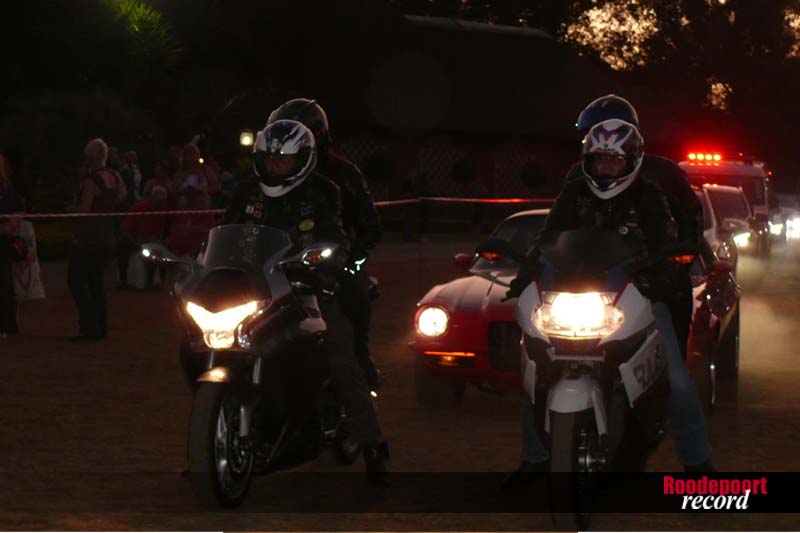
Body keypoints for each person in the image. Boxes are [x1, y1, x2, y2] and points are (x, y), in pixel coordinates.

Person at [503, 119, 713, 488]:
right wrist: (523, 278)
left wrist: (662, 274)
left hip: (638, 295)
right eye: (599, 160)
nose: (606, 168)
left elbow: (664, 245)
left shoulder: (649, 196)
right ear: (587, 160)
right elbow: (547, 240)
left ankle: (698, 466)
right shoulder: (574, 193)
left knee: (678, 379)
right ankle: (533, 460)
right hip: (576, 298)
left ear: (632, 161)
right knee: (535, 371)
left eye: (614, 161)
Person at [221, 119, 389, 487]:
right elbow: (224, 231)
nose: (275, 165)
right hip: (257, 288)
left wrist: (328, 261)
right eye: (269, 158)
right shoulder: (247, 191)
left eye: (283, 159)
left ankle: (372, 445)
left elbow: (336, 236)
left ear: (303, 160)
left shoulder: (323, 191)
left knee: (340, 356)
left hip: (309, 286)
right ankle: (217, 441)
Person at [566, 94, 705, 360]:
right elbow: (561, 224)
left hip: (654, 275)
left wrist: (677, 263)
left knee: (674, 347)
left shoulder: (664, 173)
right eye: (587, 137)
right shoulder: (577, 174)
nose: (595, 142)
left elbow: (692, 218)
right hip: (593, 276)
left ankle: (676, 375)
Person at [267, 98, 383, 389]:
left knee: (350, 311)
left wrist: (351, 263)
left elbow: (370, 227)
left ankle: (361, 369)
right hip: (280, 264)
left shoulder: (343, 175)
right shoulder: (270, 176)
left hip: (335, 263)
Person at [68, 138, 123, 341]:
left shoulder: (91, 181)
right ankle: (100, 327)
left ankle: (88, 327)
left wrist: (70, 210)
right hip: (107, 237)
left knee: (76, 280)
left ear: (90, 157)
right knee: (96, 283)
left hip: (88, 238)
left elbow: (84, 210)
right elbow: (121, 197)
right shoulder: (115, 177)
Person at [0, 153, 27, 337]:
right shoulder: (8, 188)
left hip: (3, 242)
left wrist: (6, 228)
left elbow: (17, 214)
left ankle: (6, 324)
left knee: (4, 284)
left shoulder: (7, 189)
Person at [122, 185, 168, 288]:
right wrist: (136, 242)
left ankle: (155, 281)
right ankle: (126, 281)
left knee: (162, 252)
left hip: (151, 241)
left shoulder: (162, 210)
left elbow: (160, 230)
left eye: (163, 201)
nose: (161, 204)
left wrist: (156, 240)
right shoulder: (140, 208)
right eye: (159, 201)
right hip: (135, 241)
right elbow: (126, 230)